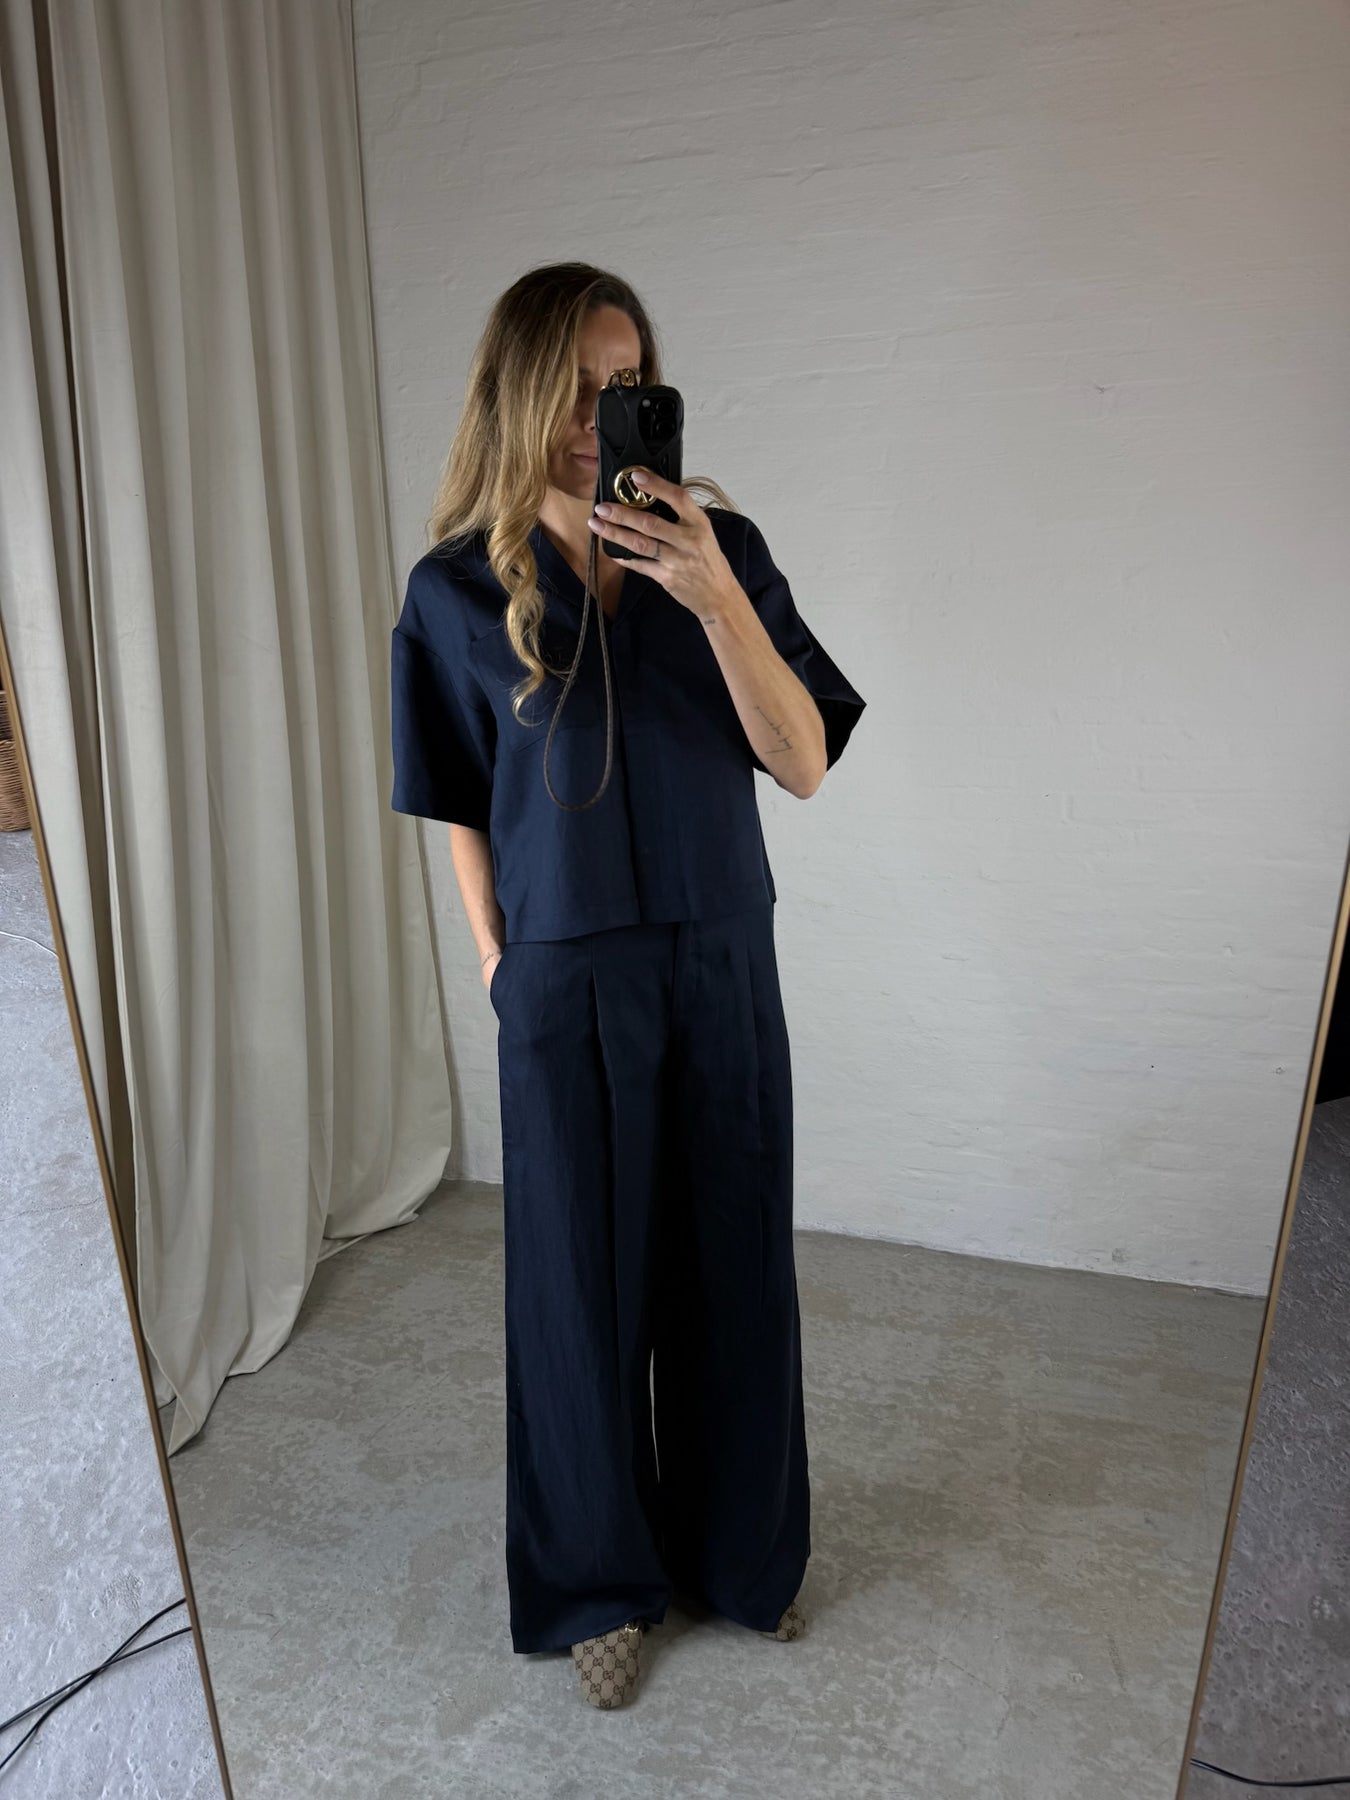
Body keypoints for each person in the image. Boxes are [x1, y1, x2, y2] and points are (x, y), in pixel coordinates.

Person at [389, 262, 866, 1709]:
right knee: (577, 1286)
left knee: (734, 1266)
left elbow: (802, 759)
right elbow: (457, 794)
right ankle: (600, 1582)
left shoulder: (723, 550)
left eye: (630, 383)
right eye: (580, 386)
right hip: (562, 972)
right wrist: (493, 955)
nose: (605, 413)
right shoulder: (455, 588)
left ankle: (740, 1556)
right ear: (519, 391)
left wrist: (712, 595)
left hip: (719, 952)